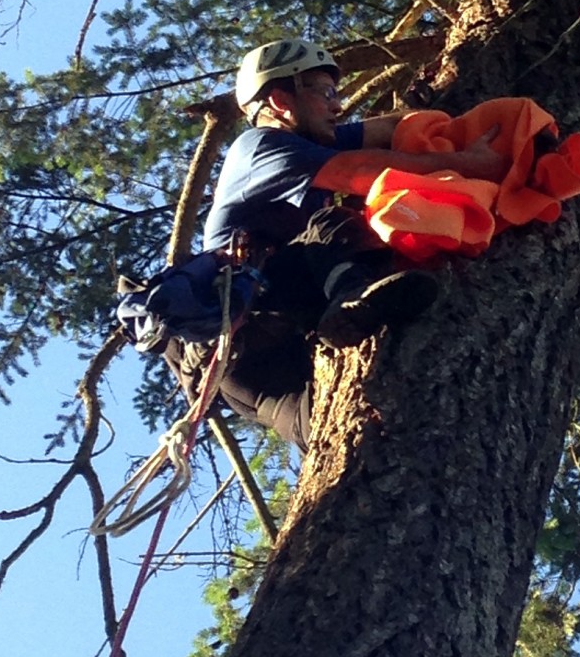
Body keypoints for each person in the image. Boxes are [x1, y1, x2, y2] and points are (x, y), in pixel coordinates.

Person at [167, 38, 505, 453]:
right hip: (247, 326)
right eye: (326, 93)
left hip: (266, 362)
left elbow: (386, 130)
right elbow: (361, 171)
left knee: (342, 440)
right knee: (334, 223)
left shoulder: (313, 142)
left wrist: (439, 122)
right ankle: (350, 299)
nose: (338, 105)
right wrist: (469, 165)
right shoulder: (260, 147)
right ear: (281, 101)